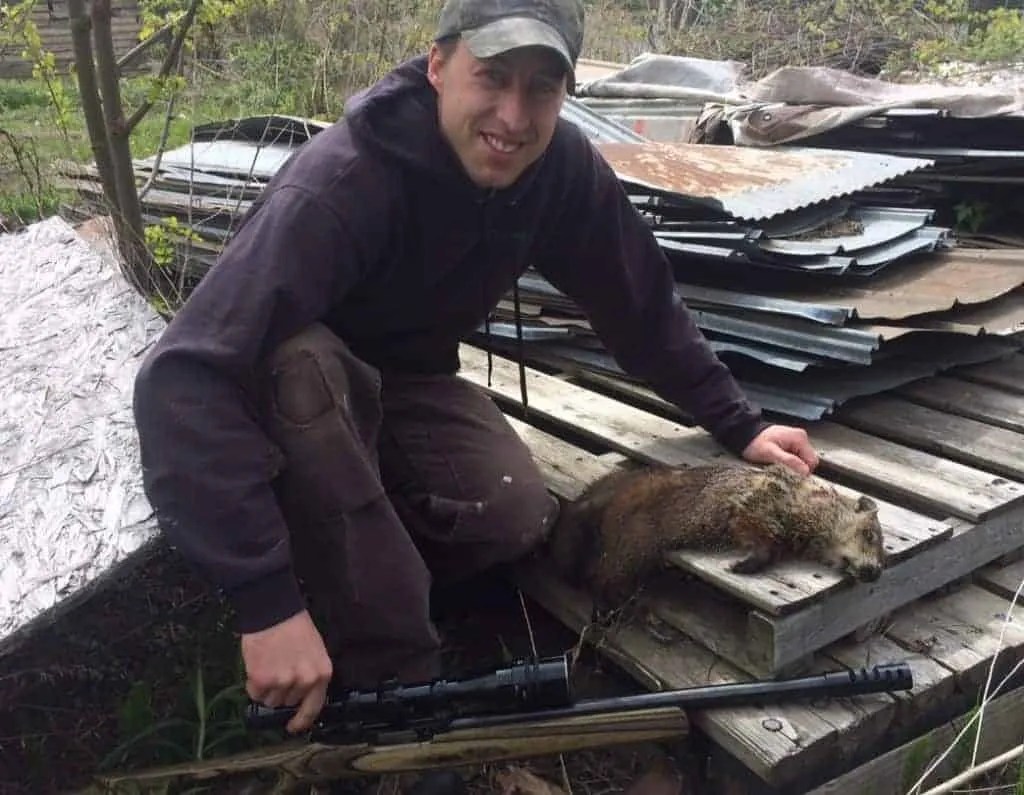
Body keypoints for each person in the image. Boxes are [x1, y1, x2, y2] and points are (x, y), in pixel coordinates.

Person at [132, 0, 819, 739]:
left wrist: (740, 424)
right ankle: (396, 681)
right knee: (305, 366)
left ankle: (354, 563)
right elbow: (182, 378)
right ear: (438, 67)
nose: (513, 116)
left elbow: (639, 304)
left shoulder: (559, 170)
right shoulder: (344, 181)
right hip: (299, 392)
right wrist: (266, 604)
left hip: (410, 383)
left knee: (512, 514)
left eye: (541, 90)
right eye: (491, 78)